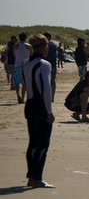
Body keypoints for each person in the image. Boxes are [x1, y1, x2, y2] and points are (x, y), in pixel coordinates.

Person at [22, 34, 55, 188]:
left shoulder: (25, 63)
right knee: (43, 144)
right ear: (43, 46)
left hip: (29, 106)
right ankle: (37, 179)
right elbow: (46, 91)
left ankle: (31, 177)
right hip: (41, 107)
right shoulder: (44, 64)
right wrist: (49, 111)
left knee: (33, 143)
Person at [14, 33, 32, 104]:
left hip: (17, 65)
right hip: (26, 66)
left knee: (17, 82)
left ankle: (18, 95)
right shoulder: (29, 46)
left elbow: (14, 55)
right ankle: (23, 97)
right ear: (26, 37)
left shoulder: (15, 46)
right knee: (24, 83)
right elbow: (31, 55)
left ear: (19, 37)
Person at [43, 33, 58, 102]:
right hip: (53, 65)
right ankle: (52, 98)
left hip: (45, 66)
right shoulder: (54, 45)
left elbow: (44, 56)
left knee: (45, 81)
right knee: (52, 81)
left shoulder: (45, 45)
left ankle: (46, 97)